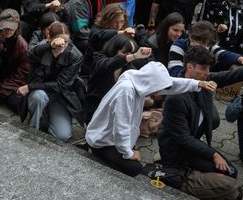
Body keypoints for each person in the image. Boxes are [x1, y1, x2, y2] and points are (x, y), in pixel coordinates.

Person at [86, 61, 215, 177]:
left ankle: (121, 152)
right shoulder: (126, 91)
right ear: (151, 83)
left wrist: (197, 83)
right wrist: (129, 154)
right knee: (135, 168)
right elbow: (121, 127)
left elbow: (171, 83)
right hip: (102, 141)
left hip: (115, 137)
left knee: (132, 154)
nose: (158, 93)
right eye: (157, 89)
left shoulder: (138, 78)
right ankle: (99, 156)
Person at [159, 46, 243, 199]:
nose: (207, 73)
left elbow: (229, 76)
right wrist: (213, 154)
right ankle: (184, 180)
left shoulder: (203, 78)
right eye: (203, 68)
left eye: (209, 68)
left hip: (193, 144)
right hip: (178, 152)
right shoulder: (176, 98)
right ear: (189, 67)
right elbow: (183, 139)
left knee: (231, 171)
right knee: (227, 174)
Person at [20, 22, 83, 142]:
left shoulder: (75, 55)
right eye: (59, 41)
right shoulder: (44, 46)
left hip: (60, 96)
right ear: (49, 37)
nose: (62, 45)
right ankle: (33, 126)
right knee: (39, 97)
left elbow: (61, 85)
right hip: (39, 92)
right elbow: (30, 56)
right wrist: (49, 46)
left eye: (66, 41)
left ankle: (48, 115)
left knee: (62, 135)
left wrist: (29, 86)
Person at [84, 34, 152, 123]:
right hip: (96, 107)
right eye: (124, 52)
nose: (128, 56)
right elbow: (109, 65)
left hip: (117, 109)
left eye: (131, 53)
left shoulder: (129, 67)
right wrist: (134, 56)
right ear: (114, 49)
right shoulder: (99, 57)